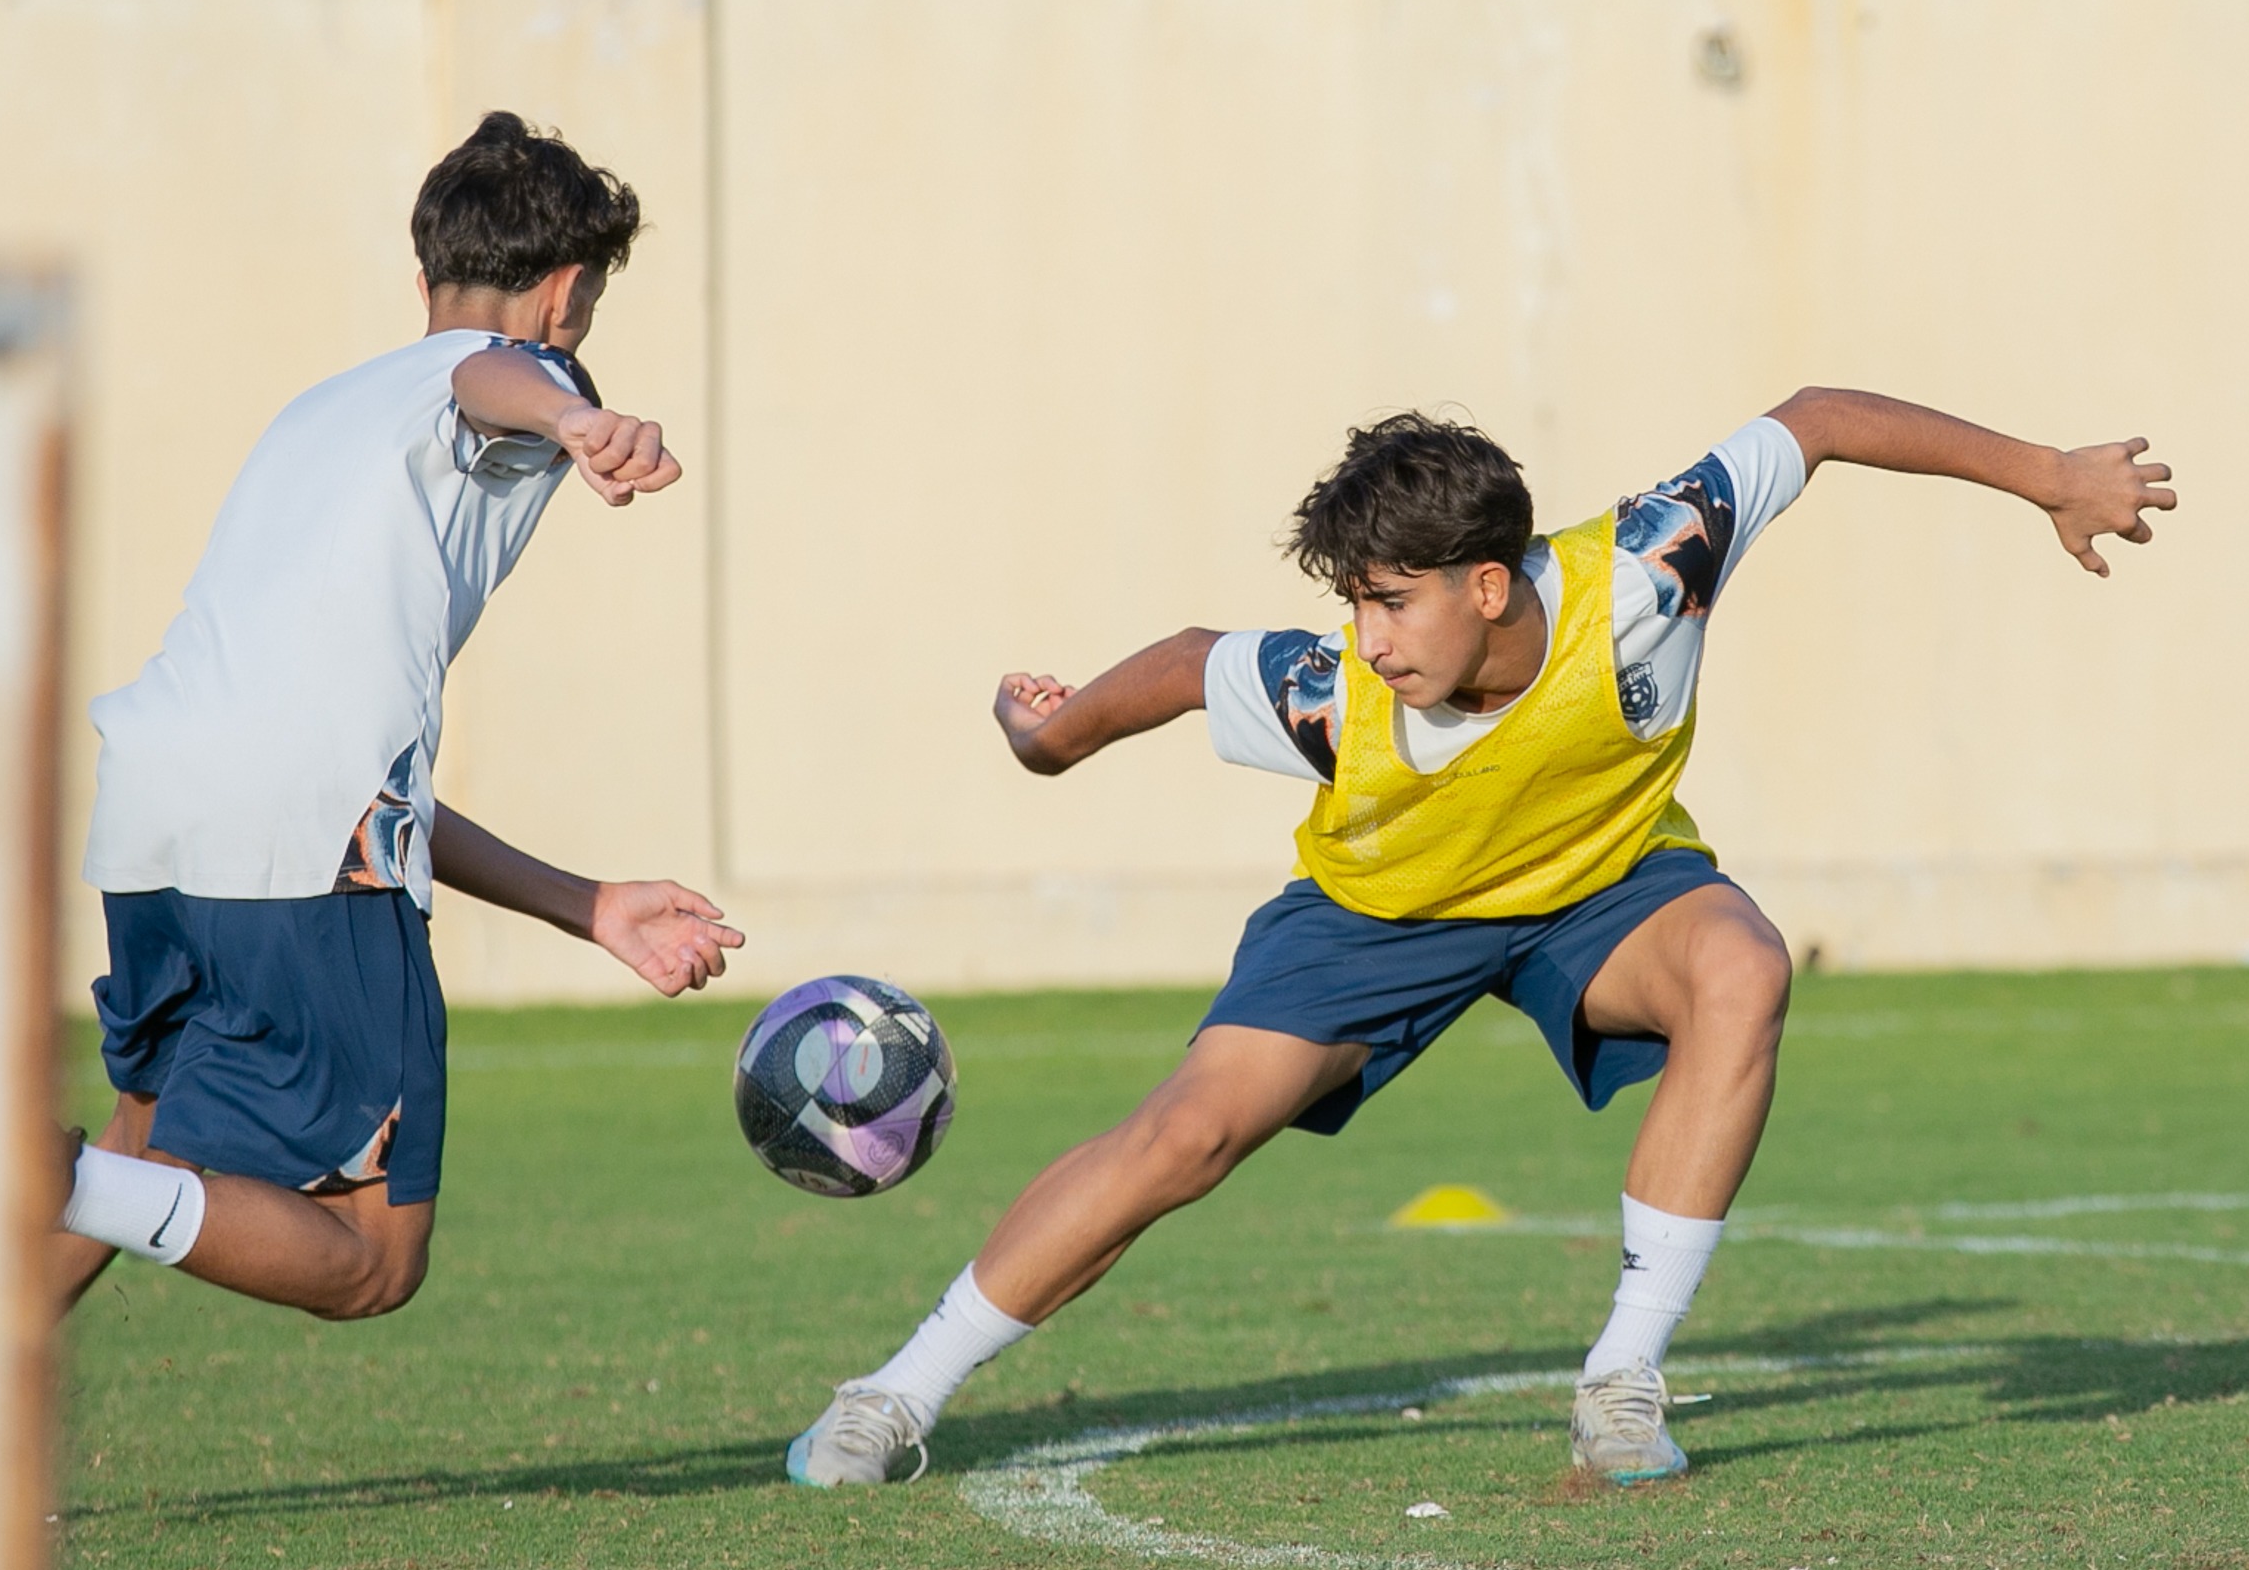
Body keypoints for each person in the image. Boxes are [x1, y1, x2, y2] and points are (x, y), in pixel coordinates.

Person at [785, 394, 2174, 1490]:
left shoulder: (1649, 568)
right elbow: (1191, 658)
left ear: (1492, 587)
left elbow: (1818, 418)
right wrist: (1050, 736)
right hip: (1377, 917)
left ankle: (1622, 1384)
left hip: (1602, 889)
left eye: (1391, 600)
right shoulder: (1335, 692)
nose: (1365, 635)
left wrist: (2048, 472)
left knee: (1743, 971)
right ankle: (892, 1395)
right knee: (1184, 1142)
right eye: (1355, 602)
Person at [0, 113, 740, 1542]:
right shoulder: (525, 372)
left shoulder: (324, 412)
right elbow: (494, 382)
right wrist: (575, 414)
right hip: (297, 834)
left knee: (150, 1140)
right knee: (368, 1259)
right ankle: (35, 1182)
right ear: (562, 289)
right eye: (583, 300)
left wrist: (585, 902)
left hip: (163, 805)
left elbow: (342, 756)